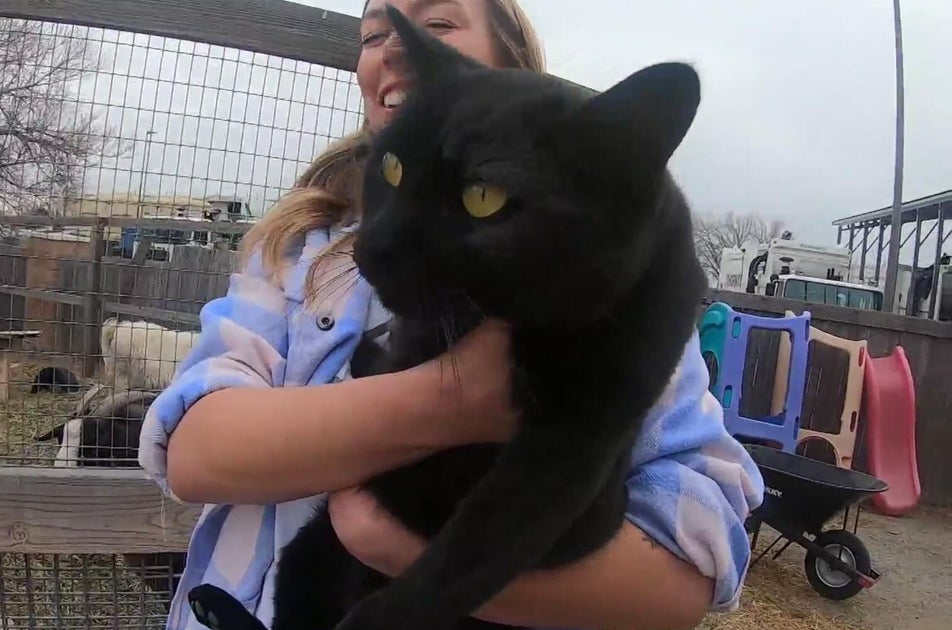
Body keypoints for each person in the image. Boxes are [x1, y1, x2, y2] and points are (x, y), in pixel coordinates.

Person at [138, 1, 766, 629]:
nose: (391, 50)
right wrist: (456, 399)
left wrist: (388, 546)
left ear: (510, 60)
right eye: (373, 35)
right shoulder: (294, 252)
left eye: (437, 24)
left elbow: (691, 572)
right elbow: (195, 453)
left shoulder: (626, 281)